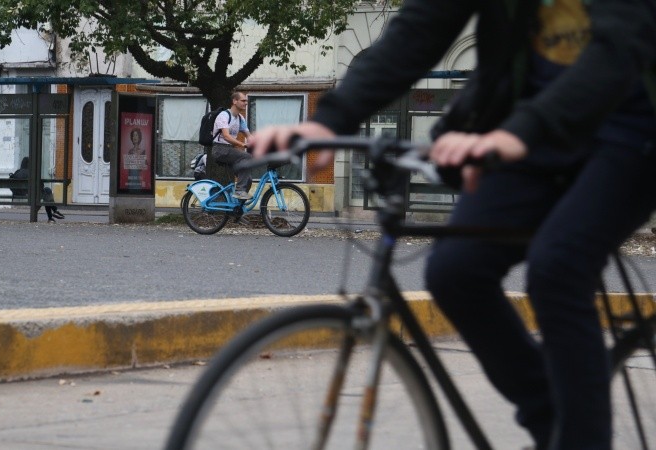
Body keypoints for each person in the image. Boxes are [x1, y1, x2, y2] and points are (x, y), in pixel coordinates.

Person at [250, 1, 656, 448]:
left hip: (629, 129)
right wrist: (330, 120)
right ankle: (556, 424)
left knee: (558, 266)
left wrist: (518, 132)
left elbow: (619, 46)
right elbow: (420, 28)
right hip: (529, 127)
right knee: (455, 271)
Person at [212, 91, 253, 200]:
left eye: (246, 101)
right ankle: (239, 191)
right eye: (243, 100)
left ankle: (237, 208)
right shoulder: (224, 115)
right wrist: (243, 144)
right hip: (220, 149)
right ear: (235, 101)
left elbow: (249, 136)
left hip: (230, 151)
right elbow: (226, 136)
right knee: (246, 157)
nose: (246, 103)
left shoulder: (240, 118)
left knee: (248, 179)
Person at [11, 157, 65, 223]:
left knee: (46, 194)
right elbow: (40, 186)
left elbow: (12, 186)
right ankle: (53, 213)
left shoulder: (17, 172)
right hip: (31, 194)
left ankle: (53, 214)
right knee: (47, 192)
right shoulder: (31, 173)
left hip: (19, 194)